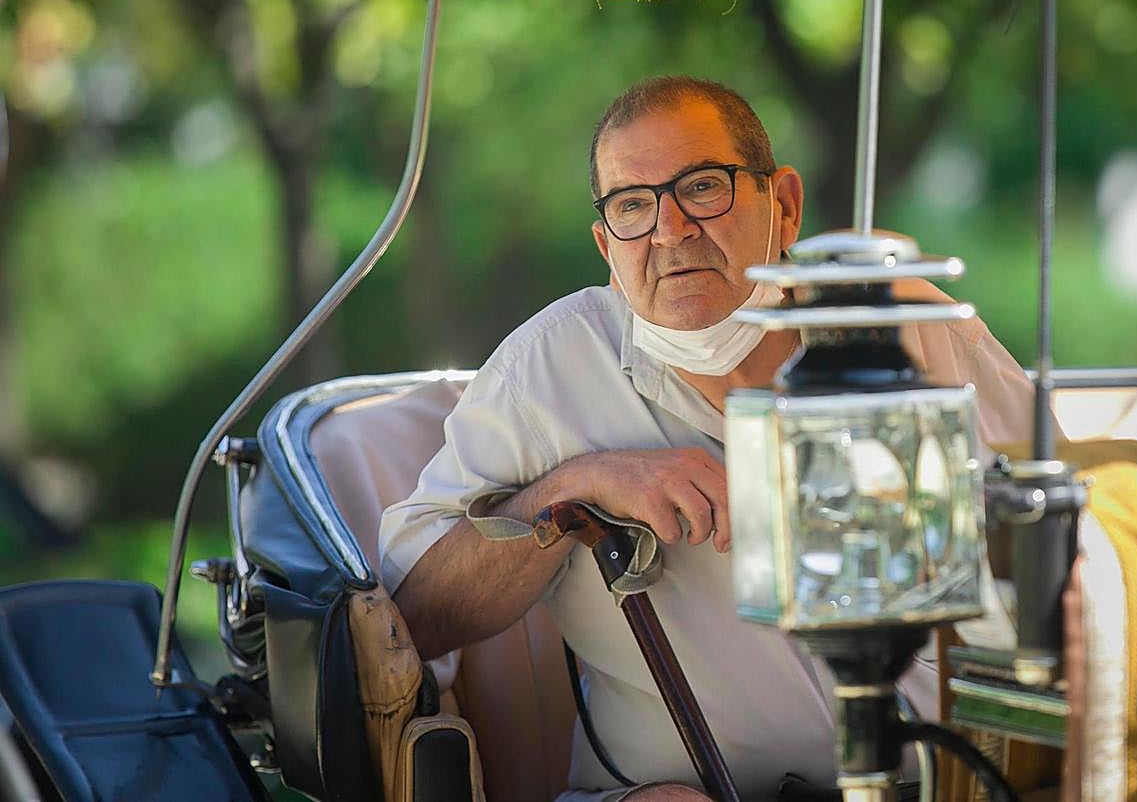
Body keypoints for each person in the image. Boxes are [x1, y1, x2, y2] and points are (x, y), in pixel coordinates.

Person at [381, 77, 1035, 802]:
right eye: (633, 206)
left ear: (782, 206)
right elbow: (412, 618)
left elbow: (1077, 534)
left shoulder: (901, 324)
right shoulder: (548, 371)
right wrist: (573, 488)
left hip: (948, 781)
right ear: (607, 245)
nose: (669, 230)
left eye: (701, 187)